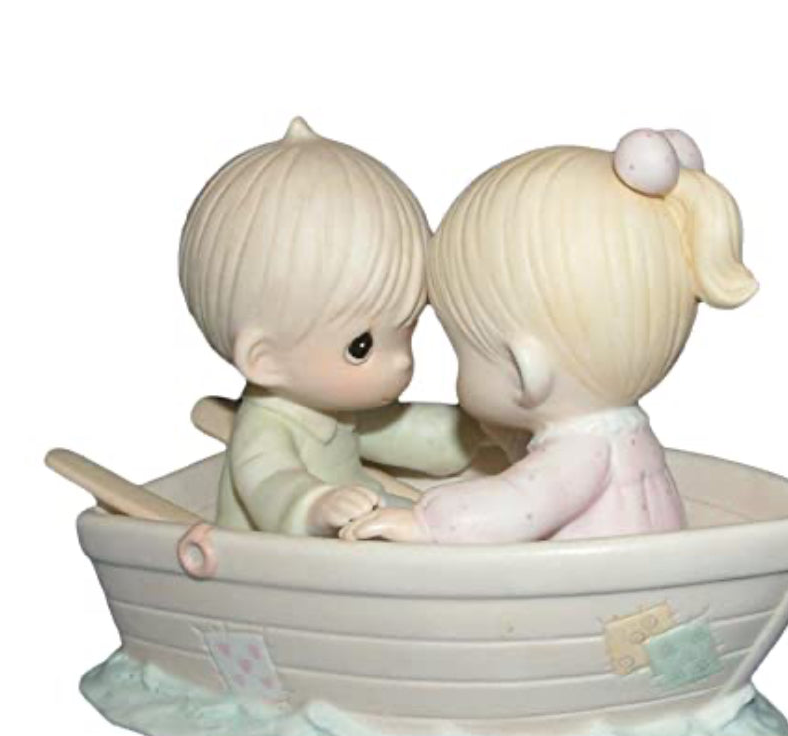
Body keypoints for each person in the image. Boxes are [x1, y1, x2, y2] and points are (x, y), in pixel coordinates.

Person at [342, 128, 757, 544]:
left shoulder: (582, 452)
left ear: (526, 370)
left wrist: (425, 525)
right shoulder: (621, 434)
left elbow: (514, 505)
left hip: (595, 583)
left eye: (462, 350)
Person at [179, 118, 483, 536]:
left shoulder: (335, 402)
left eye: (408, 329)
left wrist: (473, 430)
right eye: (361, 347)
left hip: (357, 510)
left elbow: (405, 435)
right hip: (278, 545)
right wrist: (316, 506)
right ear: (265, 360)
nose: (401, 362)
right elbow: (271, 484)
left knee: (433, 522)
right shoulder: (267, 428)